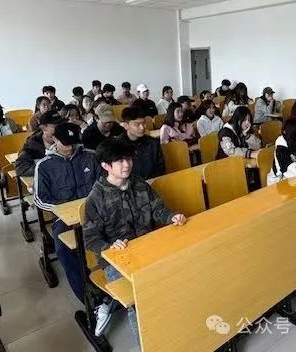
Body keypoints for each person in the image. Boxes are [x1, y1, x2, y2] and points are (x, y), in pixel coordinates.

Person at [84, 138, 187, 339]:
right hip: (118, 259)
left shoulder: (139, 184)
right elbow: (91, 239)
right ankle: (148, 343)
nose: (127, 164)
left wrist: (171, 217)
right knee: (138, 300)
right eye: (120, 161)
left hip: (148, 247)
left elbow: (157, 209)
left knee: (178, 276)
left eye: (129, 159)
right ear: (106, 166)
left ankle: (177, 331)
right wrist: (109, 246)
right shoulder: (96, 198)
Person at [34, 122, 102, 303]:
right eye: (66, 143)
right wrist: (63, 209)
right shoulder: (44, 166)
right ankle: (87, 298)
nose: (71, 148)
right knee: (63, 248)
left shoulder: (91, 156)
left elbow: (104, 184)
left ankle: (114, 282)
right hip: (64, 218)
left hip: (97, 211)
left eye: (74, 143)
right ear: (55, 140)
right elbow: (40, 199)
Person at [119, 107, 164, 180]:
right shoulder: (117, 146)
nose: (142, 127)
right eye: (137, 124)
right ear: (126, 125)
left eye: (143, 123)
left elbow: (160, 168)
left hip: (152, 182)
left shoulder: (153, 143)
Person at [15, 110, 63, 177]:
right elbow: (21, 169)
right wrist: (48, 168)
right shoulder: (32, 144)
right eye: (55, 126)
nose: (60, 129)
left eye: (61, 125)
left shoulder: (67, 138)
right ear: (43, 128)